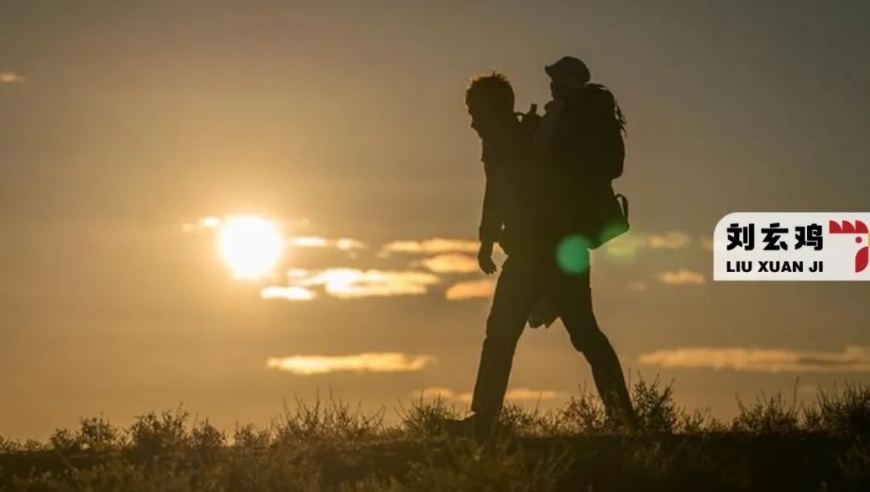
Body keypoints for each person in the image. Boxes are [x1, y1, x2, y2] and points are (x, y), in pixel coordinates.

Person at [449, 61, 636, 437]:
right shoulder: (527, 136)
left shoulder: (506, 141)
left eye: (474, 112)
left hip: (539, 256)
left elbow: (496, 195)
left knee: (504, 334)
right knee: (583, 334)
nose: (472, 122)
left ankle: (483, 421)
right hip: (561, 253)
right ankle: (625, 419)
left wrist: (487, 240)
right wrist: (488, 240)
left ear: (492, 108)